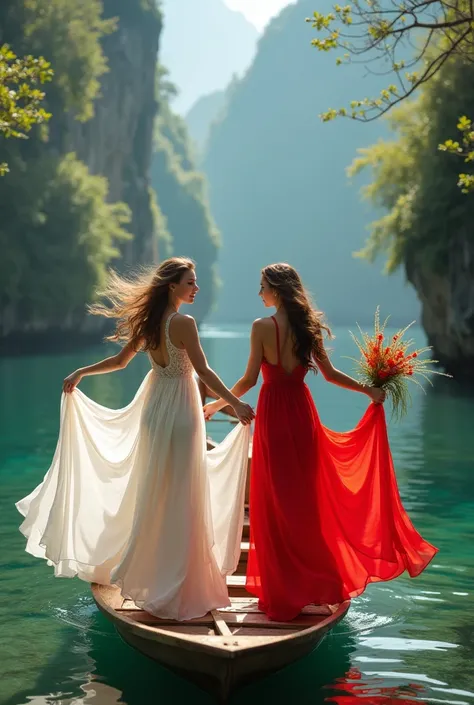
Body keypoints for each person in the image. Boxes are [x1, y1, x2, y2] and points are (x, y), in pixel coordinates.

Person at [17, 257, 254, 621]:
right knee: (182, 492)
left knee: (156, 490)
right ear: (172, 286)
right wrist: (235, 403)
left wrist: (82, 370)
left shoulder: (150, 322)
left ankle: (153, 574)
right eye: (190, 282)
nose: (196, 288)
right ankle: (178, 582)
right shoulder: (183, 323)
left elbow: (120, 361)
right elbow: (203, 370)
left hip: (155, 410)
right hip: (180, 412)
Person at [204, 263, 438, 622]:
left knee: (276, 505)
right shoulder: (306, 328)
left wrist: (217, 404)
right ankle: (315, 582)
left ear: (277, 290)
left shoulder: (261, 328)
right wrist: (369, 391)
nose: (259, 293)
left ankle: (282, 590)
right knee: (305, 503)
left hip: (273, 419)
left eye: (263, 286)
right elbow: (329, 375)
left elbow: (249, 380)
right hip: (301, 416)